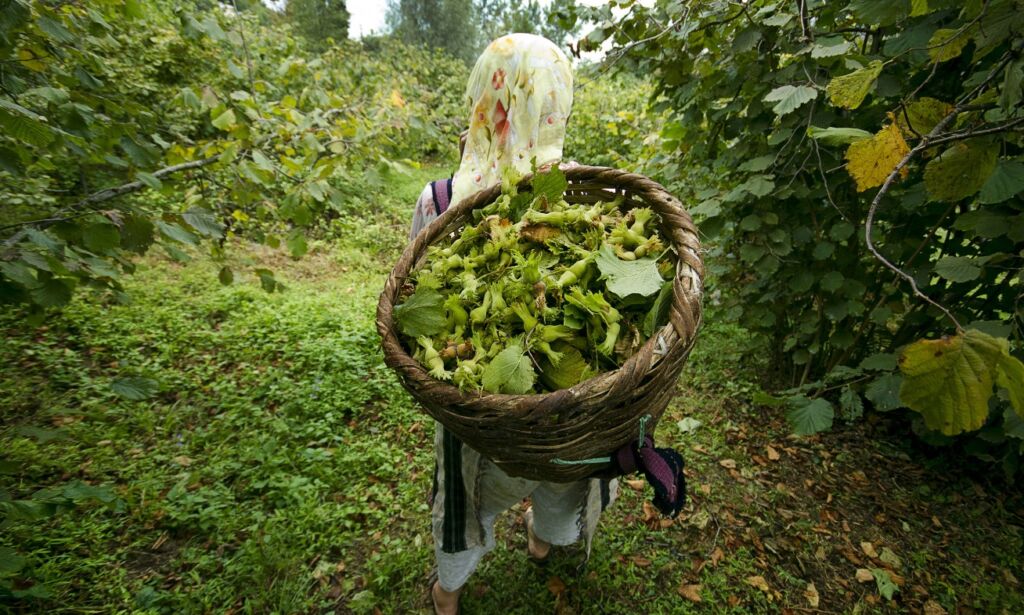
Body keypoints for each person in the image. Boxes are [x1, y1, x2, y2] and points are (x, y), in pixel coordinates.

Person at [406, 34, 619, 615]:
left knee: (467, 498)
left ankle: (447, 595)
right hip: (571, 415)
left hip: (478, 413)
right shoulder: (579, 189)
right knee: (561, 480)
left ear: (482, 97)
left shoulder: (442, 199)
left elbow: (409, 292)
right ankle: (541, 545)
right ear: (557, 105)